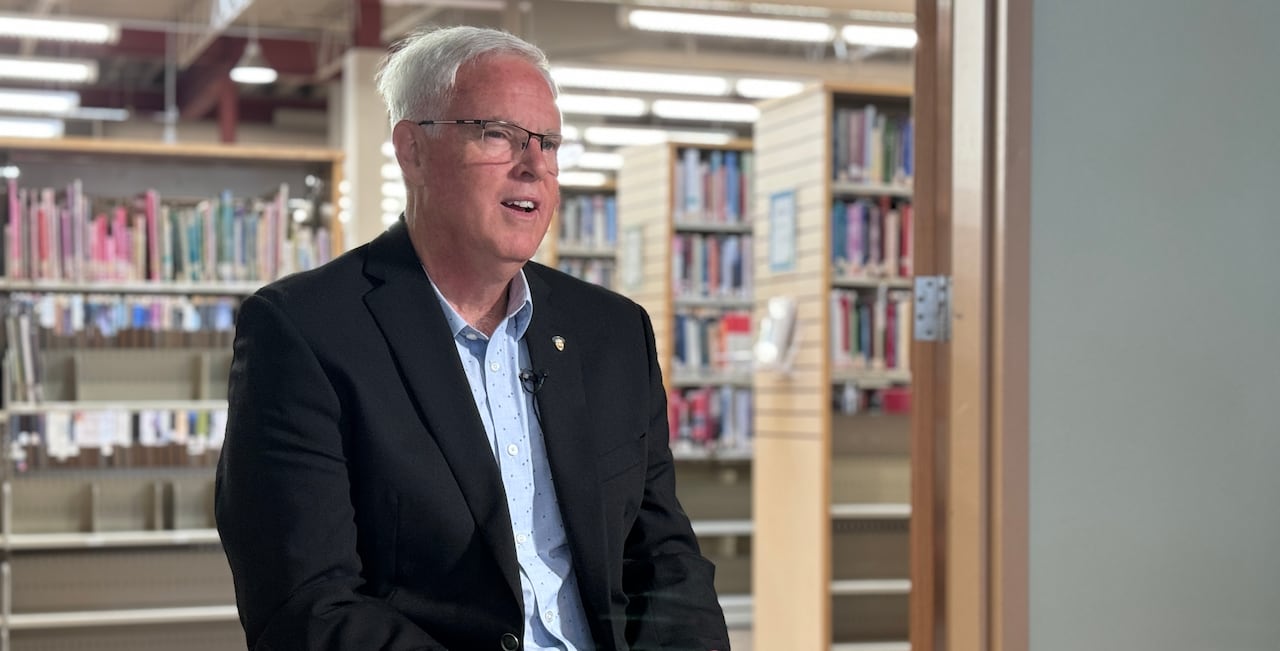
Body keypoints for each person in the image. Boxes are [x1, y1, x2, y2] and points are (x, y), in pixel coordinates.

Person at [214, 25, 731, 651]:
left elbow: (664, 555)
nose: (533, 166)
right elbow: (306, 606)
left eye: (548, 143)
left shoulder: (613, 332)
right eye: (497, 134)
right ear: (412, 150)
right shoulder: (305, 331)